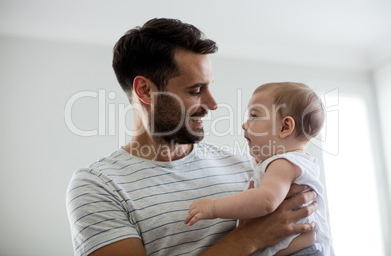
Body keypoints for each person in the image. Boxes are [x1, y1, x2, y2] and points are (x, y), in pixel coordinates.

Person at [66, 18, 318, 256]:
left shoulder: (249, 165)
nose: (213, 103)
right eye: (196, 90)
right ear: (145, 90)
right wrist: (250, 238)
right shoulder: (99, 186)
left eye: (209, 86)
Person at [185, 82, 333, 256]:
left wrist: (214, 207)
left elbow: (266, 200)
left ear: (285, 127)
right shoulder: (296, 162)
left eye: (254, 116)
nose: (244, 125)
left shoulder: (283, 163)